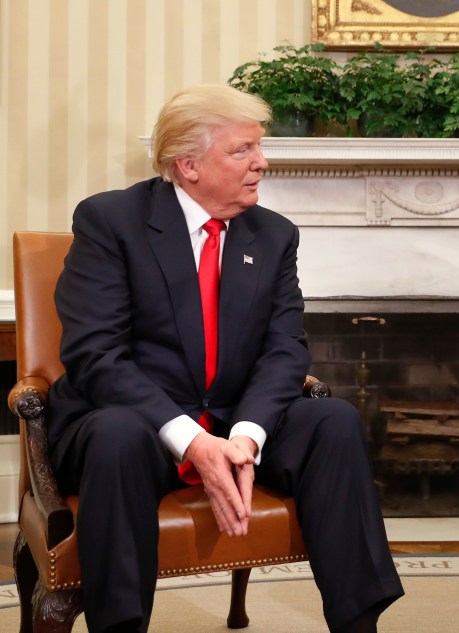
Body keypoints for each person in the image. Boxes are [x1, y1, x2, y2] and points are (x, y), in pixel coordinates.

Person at [47, 84, 403, 633]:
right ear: (188, 164)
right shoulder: (111, 221)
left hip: (234, 414)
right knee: (117, 434)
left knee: (332, 420)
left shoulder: (273, 234)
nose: (261, 162)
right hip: (135, 425)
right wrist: (191, 439)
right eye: (243, 150)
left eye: (259, 148)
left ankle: (359, 622)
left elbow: (286, 348)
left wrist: (247, 435)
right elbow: (96, 355)